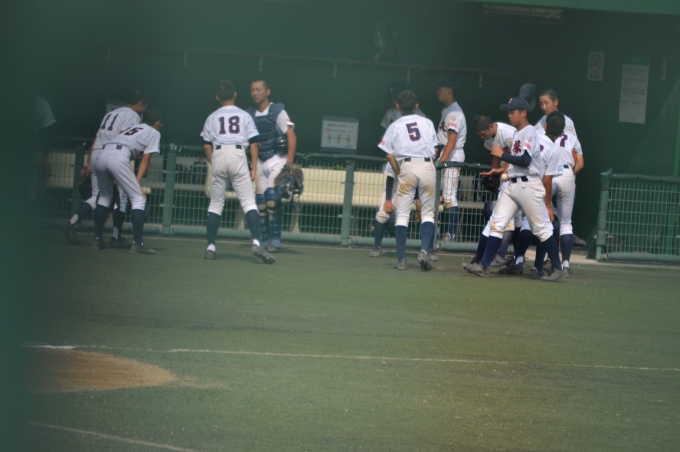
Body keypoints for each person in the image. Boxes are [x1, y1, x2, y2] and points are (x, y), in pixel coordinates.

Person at [462, 95, 568, 281]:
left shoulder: (529, 132)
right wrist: (501, 169)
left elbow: (525, 161)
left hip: (529, 185)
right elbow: (515, 162)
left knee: (541, 229)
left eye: (513, 112)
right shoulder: (518, 133)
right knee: (497, 223)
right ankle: (484, 266)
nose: (509, 115)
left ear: (523, 112)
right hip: (513, 183)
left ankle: (559, 268)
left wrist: (502, 155)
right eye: (508, 112)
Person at [202, 80, 275, 264]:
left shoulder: (212, 117)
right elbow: (254, 143)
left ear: (217, 97)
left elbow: (206, 145)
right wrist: (254, 167)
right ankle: (257, 242)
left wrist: (214, 162)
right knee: (248, 203)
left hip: (218, 153)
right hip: (237, 153)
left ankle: (211, 247)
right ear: (235, 94)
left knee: (215, 205)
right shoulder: (244, 115)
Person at [63, 90, 148, 248]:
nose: (143, 110)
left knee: (98, 196)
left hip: (97, 153)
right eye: (144, 107)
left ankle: (76, 225)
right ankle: (115, 237)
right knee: (121, 195)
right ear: (140, 104)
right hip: (113, 153)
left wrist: (89, 161)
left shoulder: (111, 113)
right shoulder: (133, 115)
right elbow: (124, 137)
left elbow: (97, 137)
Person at [496, 111, 565, 276]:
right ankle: (540, 267)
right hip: (533, 186)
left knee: (529, 225)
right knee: (544, 227)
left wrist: (507, 170)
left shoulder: (534, 133)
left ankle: (519, 261)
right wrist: (548, 205)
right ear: (562, 133)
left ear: (545, 126)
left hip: (519, 182)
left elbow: (517, 155)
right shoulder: (555, 150)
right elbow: (547, 180)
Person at [378, 90, 438, 271]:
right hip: (427, 166)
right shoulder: (427, 122)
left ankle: (402, 260)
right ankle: (424, 251)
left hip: (406, 166)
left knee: (402, 215)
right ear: (416, 105)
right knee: (428, 214)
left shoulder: (395, 125)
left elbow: (389, 154)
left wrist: (398, 172)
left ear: (398, 106)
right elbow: (435, 150)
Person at [92, 107, 163, 254]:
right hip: (119, 156)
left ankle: (97, 239)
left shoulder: (134, 127)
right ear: (157, 123)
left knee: (104, 198)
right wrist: (137, 183)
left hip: (103, 154)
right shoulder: (154, 132)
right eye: (161, 124)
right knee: (138, 199)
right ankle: (138, 243)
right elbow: (146, 159)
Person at [370, 82, 427, 259]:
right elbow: (391, 172)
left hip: (414, 167)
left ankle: (428, 249)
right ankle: (377, 246)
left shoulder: (420, 118)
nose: (394, 102)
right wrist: (389, 199)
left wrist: (418, 198)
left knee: (425, 214)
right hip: (399, 168)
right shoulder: (392, 116)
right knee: (384, 212)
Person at [532, 111, 584, 277]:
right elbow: (580, 163)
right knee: (566, 223)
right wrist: (570, 177)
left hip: (548, 174)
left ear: (546, 124)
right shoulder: (571, 137)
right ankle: (565, 264)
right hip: (567, 173)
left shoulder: (539, 134)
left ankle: (540, 264)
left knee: (544, 220)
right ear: (563, 128)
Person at [247, 78, 297, 253]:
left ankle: (275, 239)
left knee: (271, 197)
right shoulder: (249, 114)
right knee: (261, 203)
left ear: (267, 91)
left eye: (259, 89)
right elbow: (249, 142)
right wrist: (251, 166)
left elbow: (291, 136)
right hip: (260, 160)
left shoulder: (277, 111)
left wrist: (289, 163)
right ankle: (263, 239)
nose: (255, 93)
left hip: (277, 158)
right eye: (252, 90)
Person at [468, 115, 517, 267]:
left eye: (483, 133)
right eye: (479, 135)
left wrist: (500, 171)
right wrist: (493, 173)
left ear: (491, 126)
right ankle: (515, 260)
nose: (483, 137)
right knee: (513, 221)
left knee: (503, 221)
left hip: (519, 177)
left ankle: (495, 257)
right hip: (510, 179)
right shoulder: (490, 138)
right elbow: (496, 156)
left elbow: (514, 159)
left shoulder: (508, 133)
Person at [433, 76, 466, 242]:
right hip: (446, 153)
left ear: (450, 91)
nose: (438, 91)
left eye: (441, 88)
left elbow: (452, 140)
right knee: (441, 195)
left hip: (452, 154)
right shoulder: (447, 110)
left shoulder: (454, 112)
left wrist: (441, 161)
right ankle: (440, 232)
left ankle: (450, 235)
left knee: (449, 196)